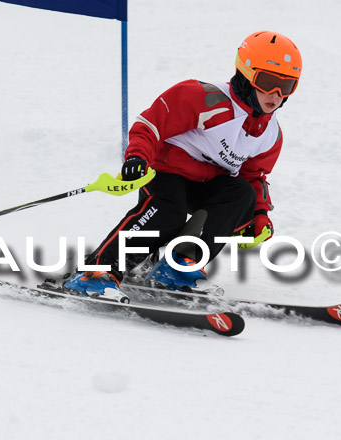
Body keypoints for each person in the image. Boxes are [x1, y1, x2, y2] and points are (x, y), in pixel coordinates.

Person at [64, 31, 303, 301]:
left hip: (208, 184)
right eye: (268, 82)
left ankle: (177, 266)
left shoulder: (271, 135)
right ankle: (97, 272)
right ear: (246, 74)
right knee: (169, 212)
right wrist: (136, 158)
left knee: (241, 194)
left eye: (287, 86)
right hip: (166, 171)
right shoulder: (204, 98)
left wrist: (259, 215)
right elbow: (150, 125)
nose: (276, 94)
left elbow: (253, 176)